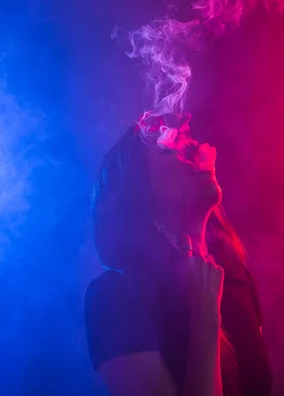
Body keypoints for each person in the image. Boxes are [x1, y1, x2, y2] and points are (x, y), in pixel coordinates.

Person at [84, 125, 272, 395]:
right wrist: (205, 316)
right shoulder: (115, 297)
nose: (199, 153)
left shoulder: (234, 276)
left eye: (189, 146)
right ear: (139, 190)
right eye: (169, 149)